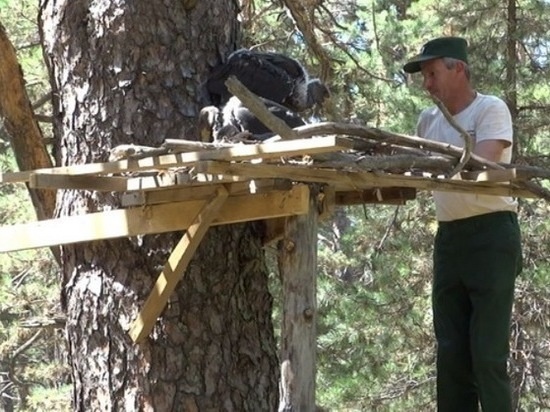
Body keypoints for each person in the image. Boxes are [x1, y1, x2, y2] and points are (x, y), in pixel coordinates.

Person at [403, 37, 523, 411]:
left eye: (433, 73)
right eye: (424, 76)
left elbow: (484, 163)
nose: (428, 84)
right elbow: (413, 167)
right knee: (451, 356)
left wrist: (431, 163)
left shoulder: (490, 109)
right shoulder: (428, 120)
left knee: (487, 355)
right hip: (450, 239)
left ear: (459, 69)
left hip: (491, 235)